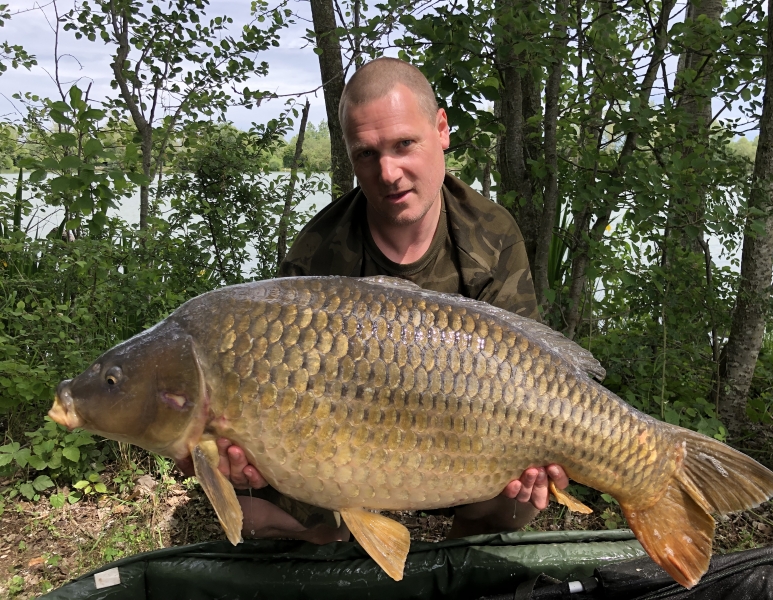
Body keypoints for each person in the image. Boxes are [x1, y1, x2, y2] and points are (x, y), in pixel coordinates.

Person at [206, 57, 570, 544]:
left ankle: (460, 563)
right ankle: (331, 557)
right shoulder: (317, 252)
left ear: (441, 129)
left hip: (463, 438)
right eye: (367, 155)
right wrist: (251, 455)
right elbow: (276, 388)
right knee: (252, 513)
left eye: (404, 145)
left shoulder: (491, 234)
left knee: (512, 499)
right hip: (339, 442)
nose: (389, 172)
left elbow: (530, 368)